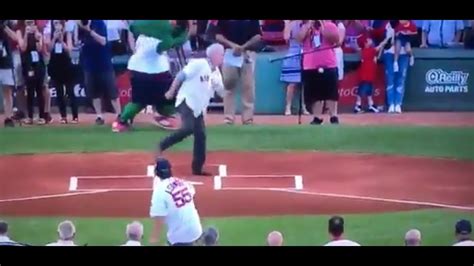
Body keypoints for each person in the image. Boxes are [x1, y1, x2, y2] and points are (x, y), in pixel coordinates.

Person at [157, 43, 226, 176]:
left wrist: (219, 85)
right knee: (188, 128)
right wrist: (171, 91)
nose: (223, 58)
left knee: (201, 135)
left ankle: (197, 168)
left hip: (198, 109)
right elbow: (181, 76)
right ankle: (161, 145)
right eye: (222, 54)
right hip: (186, 101)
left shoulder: (216, 73)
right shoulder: (199, 63)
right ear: (214, 55)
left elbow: (222, 93)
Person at [112, 20, 189, 132]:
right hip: (147, 72)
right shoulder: (155, 39)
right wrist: (182, 38)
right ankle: (122, 121)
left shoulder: (145, 35)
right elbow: (166, 45)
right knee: (142, 102)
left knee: (162, 98)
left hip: (151, 70)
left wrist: (181, 33)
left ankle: (161, 115)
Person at [216, 20, 262, 125]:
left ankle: (248, 118)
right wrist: (232, 45)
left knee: (248, 86)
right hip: (229, 53)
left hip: (248, 53)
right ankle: (228, 118)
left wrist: (243, 47)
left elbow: (258, 36)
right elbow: (218, 35)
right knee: (228, 85)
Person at [149, 158, 203, 246]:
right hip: (196, 229)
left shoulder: (159, 191)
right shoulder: (183, 182)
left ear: (156, 173)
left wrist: (154, 237)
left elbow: (159, 217)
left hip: (179, 236)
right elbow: (192, 193)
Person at [78, 20, 121, 125]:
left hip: (103, 63)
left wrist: (90, 31)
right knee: (94, 93)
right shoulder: (81, 25)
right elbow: (78, 41)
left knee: (112, 92)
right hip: (89, 63)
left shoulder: (99, 23)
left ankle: (120, 115)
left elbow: (103, 41)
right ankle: (99, 116)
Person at [297, 20, 340, 125]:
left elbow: (336, 40)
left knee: (331, 93)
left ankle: (333, 116)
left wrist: (322, 26)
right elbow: (299, 39)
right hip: (310, 65)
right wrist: (308, 25)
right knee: (314, 94)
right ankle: (317, 117)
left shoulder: (330, 25)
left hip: (328, 63)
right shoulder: (305, 26)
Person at [44, 20, 77, 124]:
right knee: (59, 93)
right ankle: (63, 116)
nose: (57, 25)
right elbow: (49, 49)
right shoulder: (50, 34)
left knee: (70, 92)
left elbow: (69, 50)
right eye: (55, 23)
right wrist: (54, 38)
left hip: (66, 66)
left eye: (59, 23)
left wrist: (62, 41)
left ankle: (75, 116)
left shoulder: (67, 33)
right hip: (55, 66)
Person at [17, 20, 47, 125]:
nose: (30, 25)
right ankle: (29, 116)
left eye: (32, 23)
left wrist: (37, 37)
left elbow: (39, 48)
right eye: (28, 23)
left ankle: (42, 116)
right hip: (27, 63)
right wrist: (26, 34)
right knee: (29, 91)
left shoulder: (38, 32)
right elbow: (23, 47)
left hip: (38, 63)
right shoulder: (20, 32)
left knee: (39, 90)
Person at [353, 33, 389, 113]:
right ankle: (357, 106)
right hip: (365, 75)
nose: (370, 40)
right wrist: (386, 39)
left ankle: (370, 105)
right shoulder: (369, 50)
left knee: (369, 90)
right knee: (362, 90)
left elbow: (377, 55)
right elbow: (379, 47)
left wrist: (355, 41)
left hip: (369, 75)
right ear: (365, 43)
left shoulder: (365, 51)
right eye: (368, 40)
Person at [280, 20, 309, 116]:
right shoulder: (291, 24)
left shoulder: (310, 24)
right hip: (293, 53)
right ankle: (288, 107)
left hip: (306, 53)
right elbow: (286, 38)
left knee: (304, 84)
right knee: (292, 83)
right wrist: (287, 24)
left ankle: (303, 107)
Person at [0, 20, 19, 127]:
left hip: (5, 62)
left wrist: (4, 27)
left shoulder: (7, 24)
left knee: (7, 91)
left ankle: (8, 117)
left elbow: (15, 38)